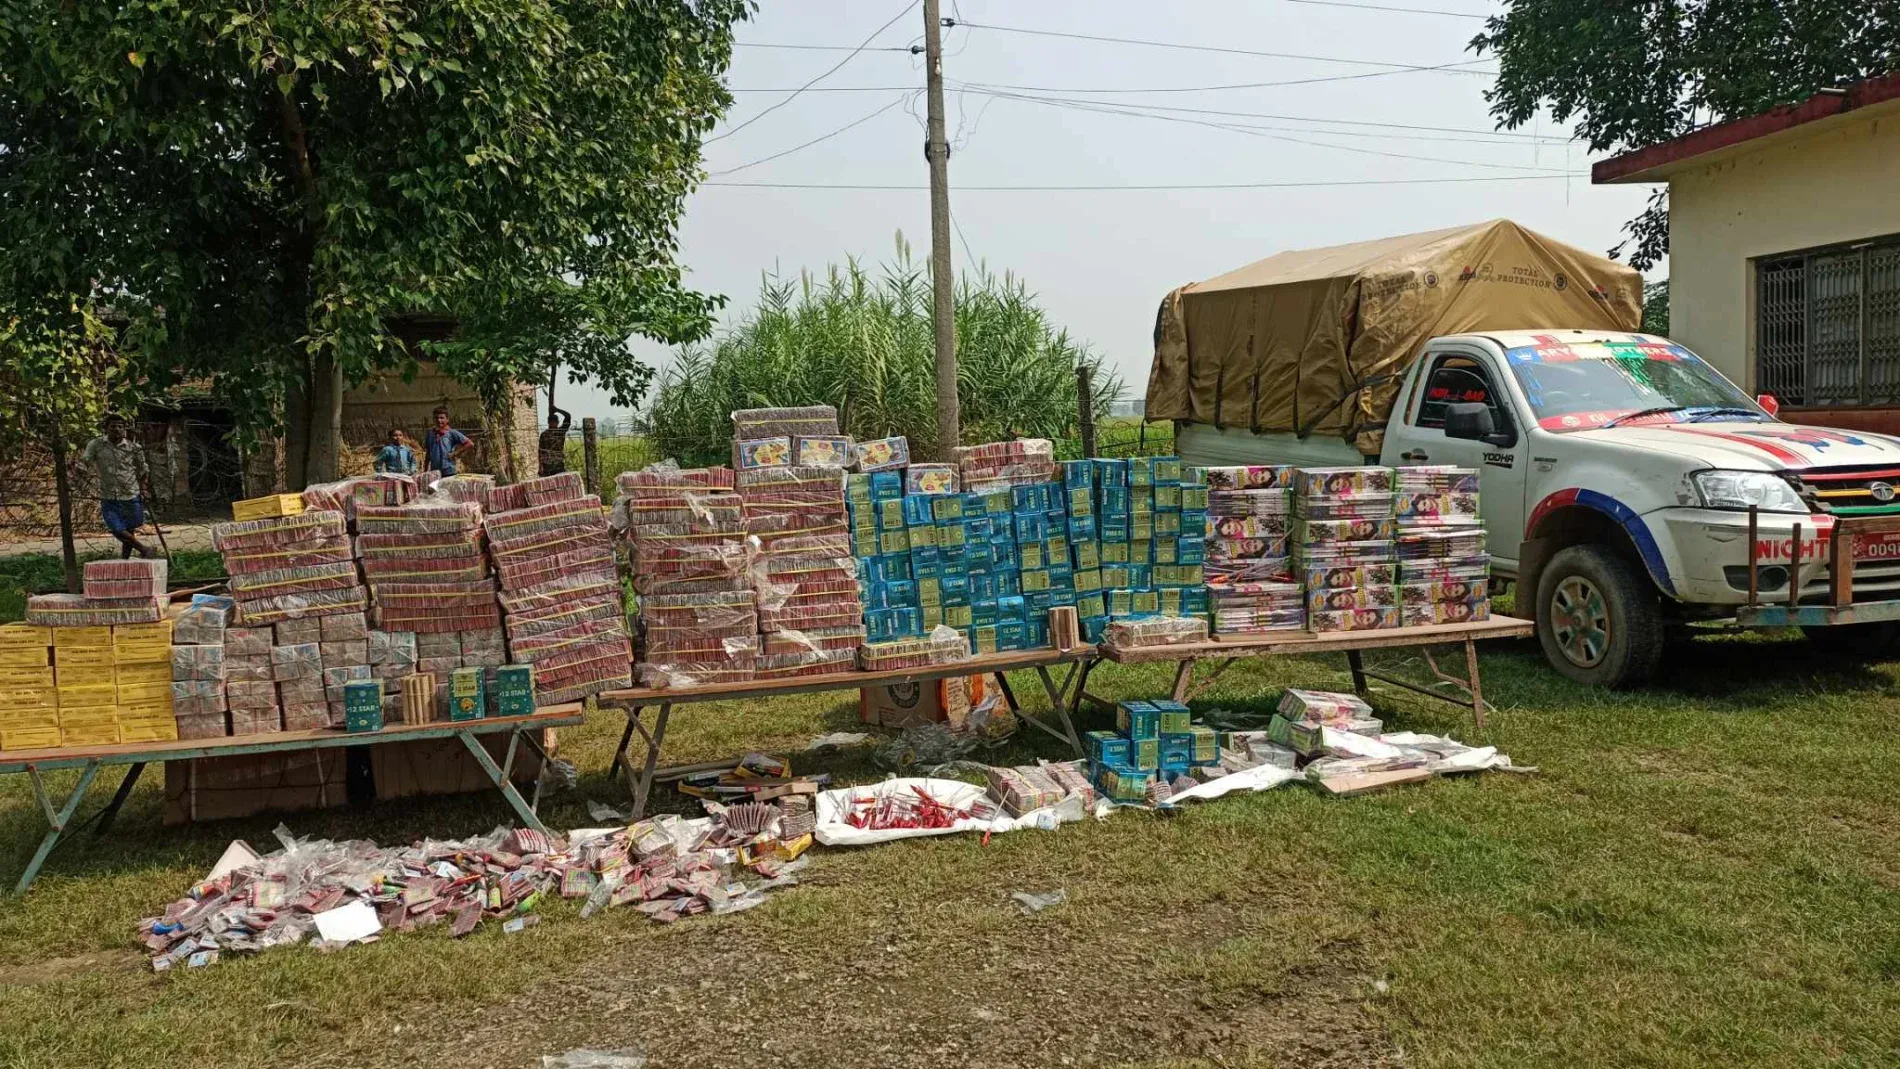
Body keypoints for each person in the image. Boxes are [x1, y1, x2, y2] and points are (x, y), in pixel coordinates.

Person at [82, 415, 155, 559]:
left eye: (120, 426)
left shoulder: (134, 448)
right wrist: (79, 469)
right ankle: (144, 549)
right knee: (115, 528)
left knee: (129, 528)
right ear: (106, 428)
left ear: (124, 429)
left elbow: (143, 470)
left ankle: (125, 560)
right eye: (113, 426)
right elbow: (85, 461)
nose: (116, 429)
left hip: (130, 493)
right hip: (108, 494)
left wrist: (144, 489)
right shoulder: (96, 445)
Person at [424, 406, 474, 476]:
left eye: (442, 418)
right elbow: (428, 453)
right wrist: (425, 470)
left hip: (449, 470)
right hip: (434, 472)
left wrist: (455, 453)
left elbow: (470, 444)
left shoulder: (451, 433)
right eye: (436, 418)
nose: (439, 420)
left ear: (447, 419)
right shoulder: (430, 434)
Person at [538, 405, 571, 477]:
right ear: (548, 422)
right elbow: (540, 451)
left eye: (554, 421)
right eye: (551, 421)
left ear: (557, 422)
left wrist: (557, 410)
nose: (553, 423)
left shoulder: (560, 432)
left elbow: (568, 416)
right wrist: (540, 466)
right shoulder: (545, 434)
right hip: (548, 465)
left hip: (557, 464)